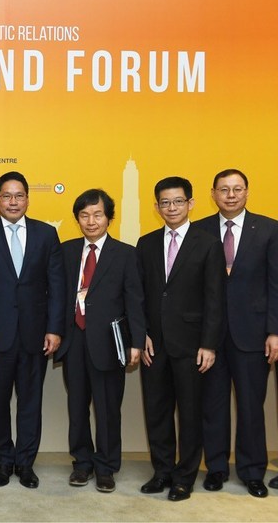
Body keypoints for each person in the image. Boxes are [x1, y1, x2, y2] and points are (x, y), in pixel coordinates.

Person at [0, 171, 66, 489]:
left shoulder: (46, 235)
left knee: (30, 403)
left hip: (35, 336)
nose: (13, 201)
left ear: (27, 199)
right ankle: (3, 462)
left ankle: (26, 463)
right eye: (6, 195)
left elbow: (57, 287)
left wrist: (54, 329)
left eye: (19, 195)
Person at [136, 176, 226, 501]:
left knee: (189, 413)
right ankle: (161, 472)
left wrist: (209, 344)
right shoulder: (145, 244)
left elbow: (215, 298)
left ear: (191, 203)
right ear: (156, 206)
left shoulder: (207, 244)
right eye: (164, 202)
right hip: (154, 345)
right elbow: (140, 297)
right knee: (157, 411)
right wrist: (141, 334)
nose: (171, 208)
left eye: (177, 201)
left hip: (193, 345)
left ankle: (184, 477)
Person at [55, 189, 145, 493]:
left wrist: (137, 341)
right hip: (74, 341)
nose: (90, 221)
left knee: (108, 409)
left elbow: (135, 301)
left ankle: (106, 467)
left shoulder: (125, 253)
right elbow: (56, 297)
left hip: (109, 343)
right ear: (77, 218)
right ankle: (81, 464)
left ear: (109, 217)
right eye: (84, 215)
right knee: (77, 406)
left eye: (97, 214)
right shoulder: (66, 251)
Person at [197, 169, 278, 498]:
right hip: (210, 336)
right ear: (213, 193)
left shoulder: (269, 229)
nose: (231, 195)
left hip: (253, 332)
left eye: (237, 189)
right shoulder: (198, 230)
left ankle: (252, 471)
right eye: (224, 189)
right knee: (212, 405)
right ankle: (215, 468)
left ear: (247, 192)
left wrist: (274, 330)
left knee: (250, 405)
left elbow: (275, 283)